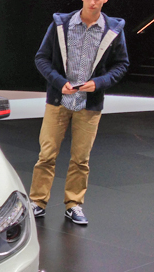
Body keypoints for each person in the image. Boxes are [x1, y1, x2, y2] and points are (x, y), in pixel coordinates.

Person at [30, 0, 129, 225]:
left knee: (81, 159)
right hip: (59, 101)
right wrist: (58, 82)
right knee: (46, 155)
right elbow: (41, 58)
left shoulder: (113, 29)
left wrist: (99, 83)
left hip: (89, 104)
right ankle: (37, 201)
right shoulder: (61, 24)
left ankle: (74, 204)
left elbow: (121, 64)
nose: (93, 2)